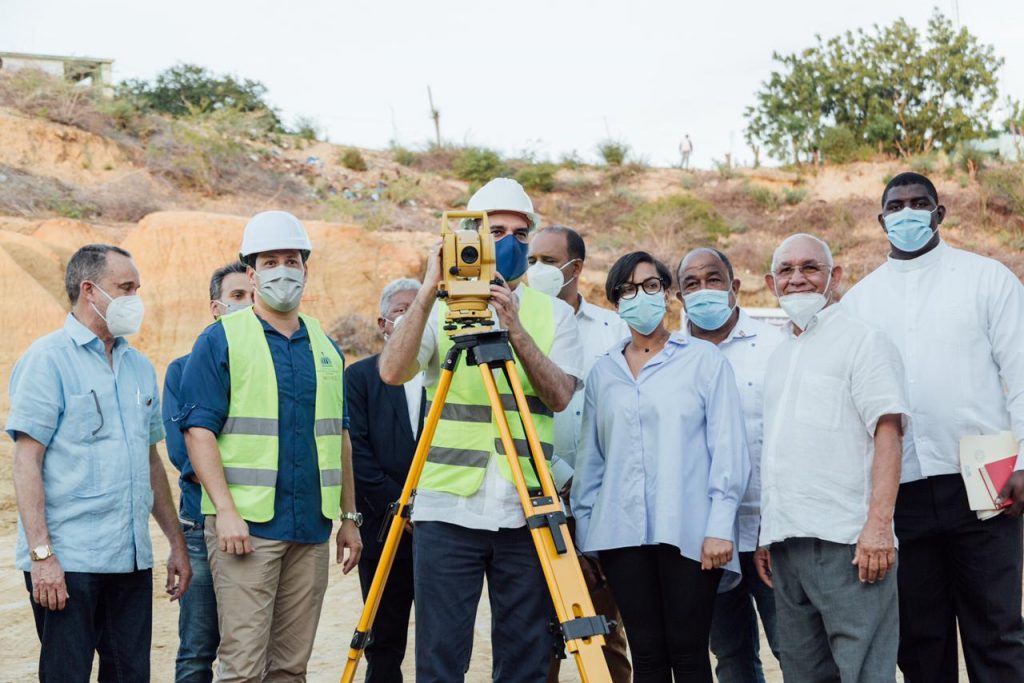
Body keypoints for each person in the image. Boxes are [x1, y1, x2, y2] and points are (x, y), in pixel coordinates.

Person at [379, 177, 583, 683]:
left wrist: (514, 328)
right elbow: (392, 371)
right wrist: (428, 290)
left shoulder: (552, 313)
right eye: (494, 231)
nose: (507, 243)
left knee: (525, 659)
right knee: (441, 659)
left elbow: (559, 395)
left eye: (519, 233)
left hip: (527, 507)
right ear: (463, 236)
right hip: (447, 508)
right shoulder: (438, 308)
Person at [842, 172, 1024, 682]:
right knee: (921, 642)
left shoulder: (987, 279)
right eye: (895, 206)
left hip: (989, 481)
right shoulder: (859, 302)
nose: (907, 213)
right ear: (881, 221)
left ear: (939, 213)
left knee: (998, 632)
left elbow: (1021, 373)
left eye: (919, 203)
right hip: (903, 492)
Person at [178, 211, 363, 682]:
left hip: (310, 529)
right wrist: (225, 512)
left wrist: (348, 518)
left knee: (290, 668)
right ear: (252, 272)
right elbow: (198, 432)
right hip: (248, 528)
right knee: (242, 667)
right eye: (270, 260)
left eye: (292, 260)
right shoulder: (221, 339)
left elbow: (337, 436)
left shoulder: (324, 346)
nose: (283, 269)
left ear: (305, 269)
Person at [8, 243, 191, 681]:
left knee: (130, 675)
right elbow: (26, 462)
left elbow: (149, 464)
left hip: (128, 560)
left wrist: (176, 545)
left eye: (137, 289)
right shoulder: (47, 360)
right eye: (125, 287)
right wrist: (42, 557)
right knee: (66, 675)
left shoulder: (139, 367)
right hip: (70, 563)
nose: (135, 299)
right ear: (89, 290)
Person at [572, 250, 750, 683]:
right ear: (616, 302)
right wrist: (585, 536)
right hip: (620, 536)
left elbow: (728, 449)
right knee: (647, 655)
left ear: (668, 295)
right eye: (628, 290)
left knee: (688, 654)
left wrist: (720, 526)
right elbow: (592, 459)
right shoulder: (604, 372)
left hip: (689, 532)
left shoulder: (703, 361)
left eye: (651, 286)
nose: (641, 296)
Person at [755, 233, 907, 682]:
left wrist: (879, 527)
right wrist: (768, 533)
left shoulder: (864, 341)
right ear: (771, 283)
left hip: (850, 545)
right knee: (802, 674)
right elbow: (781, 451)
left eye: (810, 268)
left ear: (834, 277)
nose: (797, 278)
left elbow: (889, 432)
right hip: (788, 545)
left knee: (865, 673)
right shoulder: (779, 354)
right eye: (786, 270)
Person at [526, 225, 632, 682]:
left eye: (548, 262)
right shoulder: (517, 322)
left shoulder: (614, 331)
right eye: (531, 261)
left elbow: (625, 415)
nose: (537, 271)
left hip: (600, 502)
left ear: (577, 267)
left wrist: (585, 483)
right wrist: (557, 475)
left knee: (605, 631)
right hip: (535, 495)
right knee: (533, 637)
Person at [677, 246, 781, 683]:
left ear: (735, 286)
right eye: (691, 284)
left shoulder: (775, 346)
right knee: (732, 655)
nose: (704, 291)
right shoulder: (670, 355)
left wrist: (777, 525)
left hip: (770, 530)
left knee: (795, 647)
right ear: (679, 298)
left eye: (714, 279)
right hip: (706, 537)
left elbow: (787, 440)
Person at [163, 261, 253, 683]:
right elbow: (187, 457)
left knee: (254, 649)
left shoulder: (277, 367)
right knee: (198, 650)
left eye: (251, 296)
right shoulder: (183, 370)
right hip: (203, 527)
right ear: (215, 308)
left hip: (264, 526)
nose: (247, 304)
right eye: (237, 297)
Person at [345, 277, 423, 682]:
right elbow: (356, 452)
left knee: (440, 640)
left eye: (419, 308)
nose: (410, 316)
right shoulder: (359, 378)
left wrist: (425, 509)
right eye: (400, 310)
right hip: (383, 531)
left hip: (439, 531)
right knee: (383, 643)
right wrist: (401, 507)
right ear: (382, 323)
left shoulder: (446, 373)